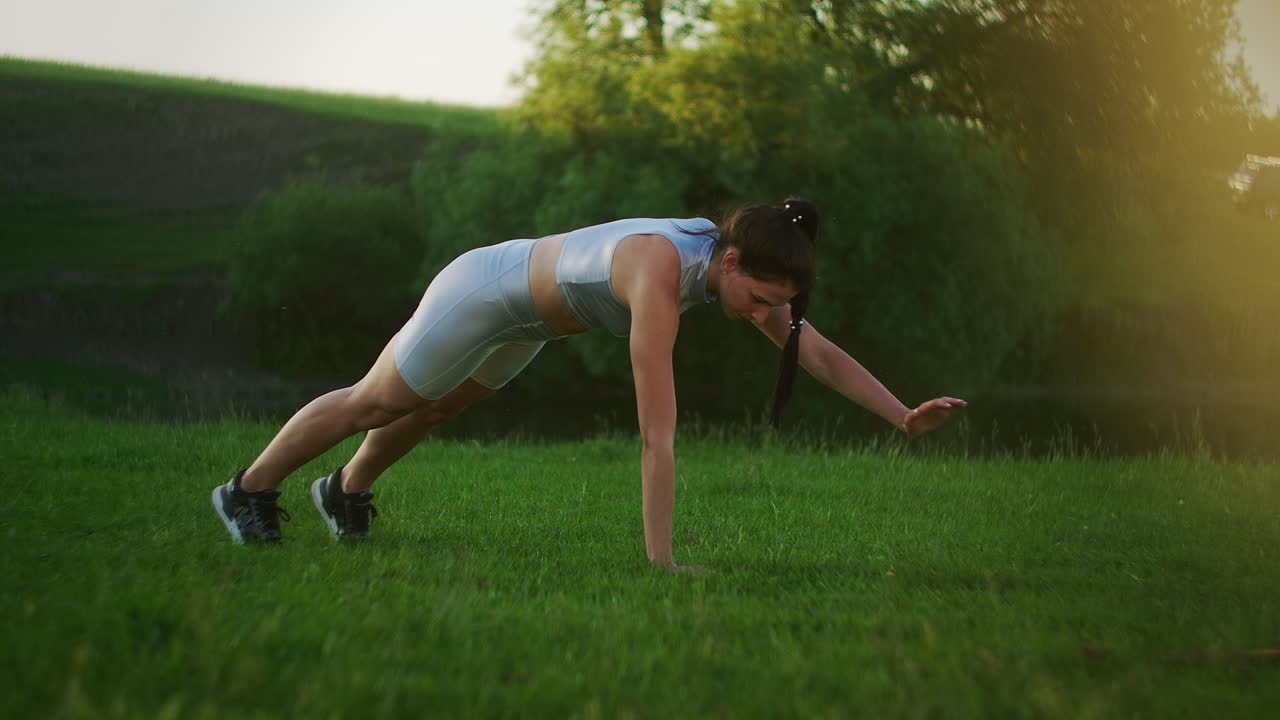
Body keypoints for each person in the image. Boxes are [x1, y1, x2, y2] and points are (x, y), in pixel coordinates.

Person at [211, 199, 966, 572]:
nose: (762, 315)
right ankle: (248, 489)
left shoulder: (732, 266)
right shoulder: (659, 272)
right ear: (732, 264)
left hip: (530, 323)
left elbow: (815, 352)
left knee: (436, 407)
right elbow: (656, 436)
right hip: (486, 289)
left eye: (775, 305)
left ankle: (345, 491)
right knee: (379, 399)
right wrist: (663, 559)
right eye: (761, 300)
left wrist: (902, 416)